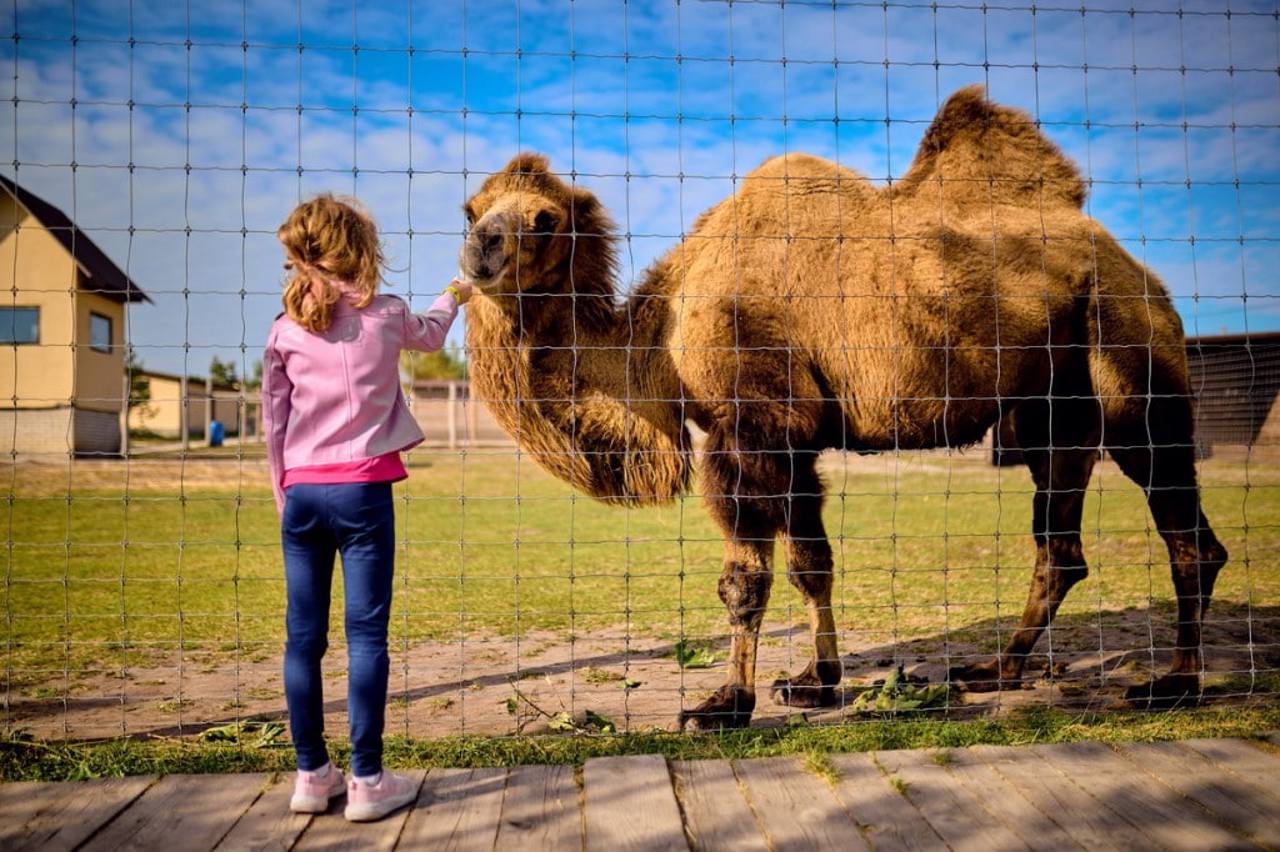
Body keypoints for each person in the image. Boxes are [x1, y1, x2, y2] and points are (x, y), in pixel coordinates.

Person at [261, 194, 472, 822]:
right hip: (362, 492)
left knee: (303, 639)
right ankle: (367, 780)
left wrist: (284, 493)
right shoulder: (386, 315)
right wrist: (454, 295)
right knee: (366, 637)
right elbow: (432, 338)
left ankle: (310, 775)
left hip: (300, 495)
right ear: (360, 250)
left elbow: (275, 422)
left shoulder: (283, 329)